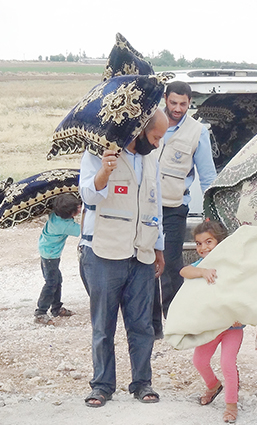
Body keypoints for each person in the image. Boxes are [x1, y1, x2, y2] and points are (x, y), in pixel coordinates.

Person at [79, 108, 169, 408]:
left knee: (142, 325)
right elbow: (88, 197)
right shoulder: (99, 151)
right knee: (103, 325)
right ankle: (102, 385)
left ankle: (142, 383)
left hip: (140, 252)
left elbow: (154, 203)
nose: (158, 143)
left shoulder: (151, 158)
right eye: (155, 137)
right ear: (139, 129)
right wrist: (105, 171)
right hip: (104, 250)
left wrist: (158, 245)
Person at [153, 80, 217, 338]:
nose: (178, 108)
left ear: (190, 103)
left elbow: (207, 173)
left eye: (183, 104)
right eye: (173, 103)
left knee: (170, 264)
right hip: (145, 207)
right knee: (146, 265)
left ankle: (176, 320)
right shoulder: (150, 122)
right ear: (165, 99)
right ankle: (152, 327)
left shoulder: (197, 131)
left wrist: (210, 210)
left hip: (174, 208)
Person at [180, 220, 242, 423]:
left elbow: (245, 292)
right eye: (198, 243)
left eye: (208, 242)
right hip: (211, 326)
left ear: (220, 242)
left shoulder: (233, 265)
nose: (203, 247)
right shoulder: (203, 265)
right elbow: (184, 271)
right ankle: (213, 385)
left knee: (227, 363)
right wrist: (202, 272)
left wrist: (239, 315)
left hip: (233, 326)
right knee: (199, 361)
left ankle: (231, 405)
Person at [34, 193, 81, 325]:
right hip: (50, 255)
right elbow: (84, 229)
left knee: (56, 280)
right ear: (69, 213)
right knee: (51, 283)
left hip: (47, 251)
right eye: (77, 208)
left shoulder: (55, 215)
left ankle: (56, 308)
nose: (79, 208)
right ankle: (40, 312)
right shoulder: (65, 226)